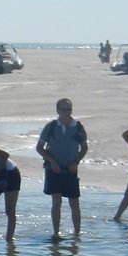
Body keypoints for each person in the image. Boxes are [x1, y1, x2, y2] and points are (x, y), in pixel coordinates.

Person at [36, 98, 88, 237]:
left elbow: (84, 148)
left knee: (74, 202)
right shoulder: (51, 126)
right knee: (56, 201)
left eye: (69, 109)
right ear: (57, 110)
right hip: (53, 169)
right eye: (63, 109)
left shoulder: (77, 127)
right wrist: (52, 162)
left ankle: (77, 233)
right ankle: (56, 233)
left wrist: (76, 162)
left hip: (70, 169)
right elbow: (39, 148)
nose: (66, 112)